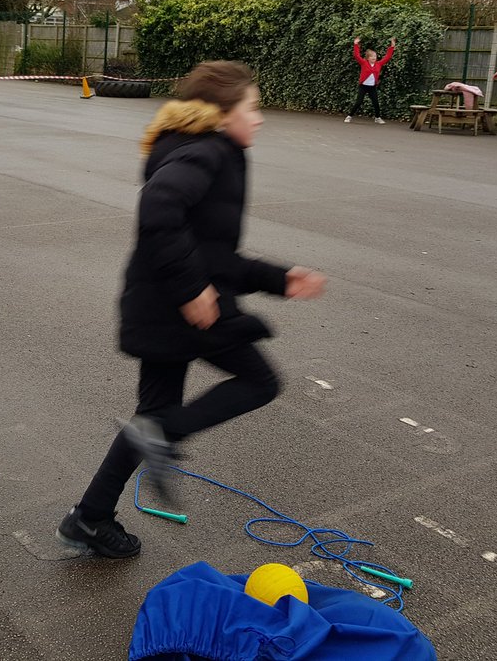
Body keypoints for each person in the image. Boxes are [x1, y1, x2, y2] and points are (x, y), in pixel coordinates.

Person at [57, 60, 327, 559]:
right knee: (258, 382)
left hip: (160, 304)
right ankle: (159, 436)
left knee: (151, 414)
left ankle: (89, 518)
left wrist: (277, 279)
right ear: (224, 113)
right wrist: (190, 289)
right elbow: (160, 209)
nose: (261, 118)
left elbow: (213, 253)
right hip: (180, 308)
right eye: (253, 107)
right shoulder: (210, 151)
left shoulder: (198, 147)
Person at [345, 37, 396, 124]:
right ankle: (349, 116)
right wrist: (356, 44)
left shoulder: (379, 64)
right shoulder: (364, 63)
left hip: (372, 87)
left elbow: (387, 57)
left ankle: (377, 118)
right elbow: (357, 56)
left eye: (375, 56)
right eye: (372, 56)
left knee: (376, 102)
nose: (374, 57)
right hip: (363, 86)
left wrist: (392, 46)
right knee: (358, 102)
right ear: (368, 58)